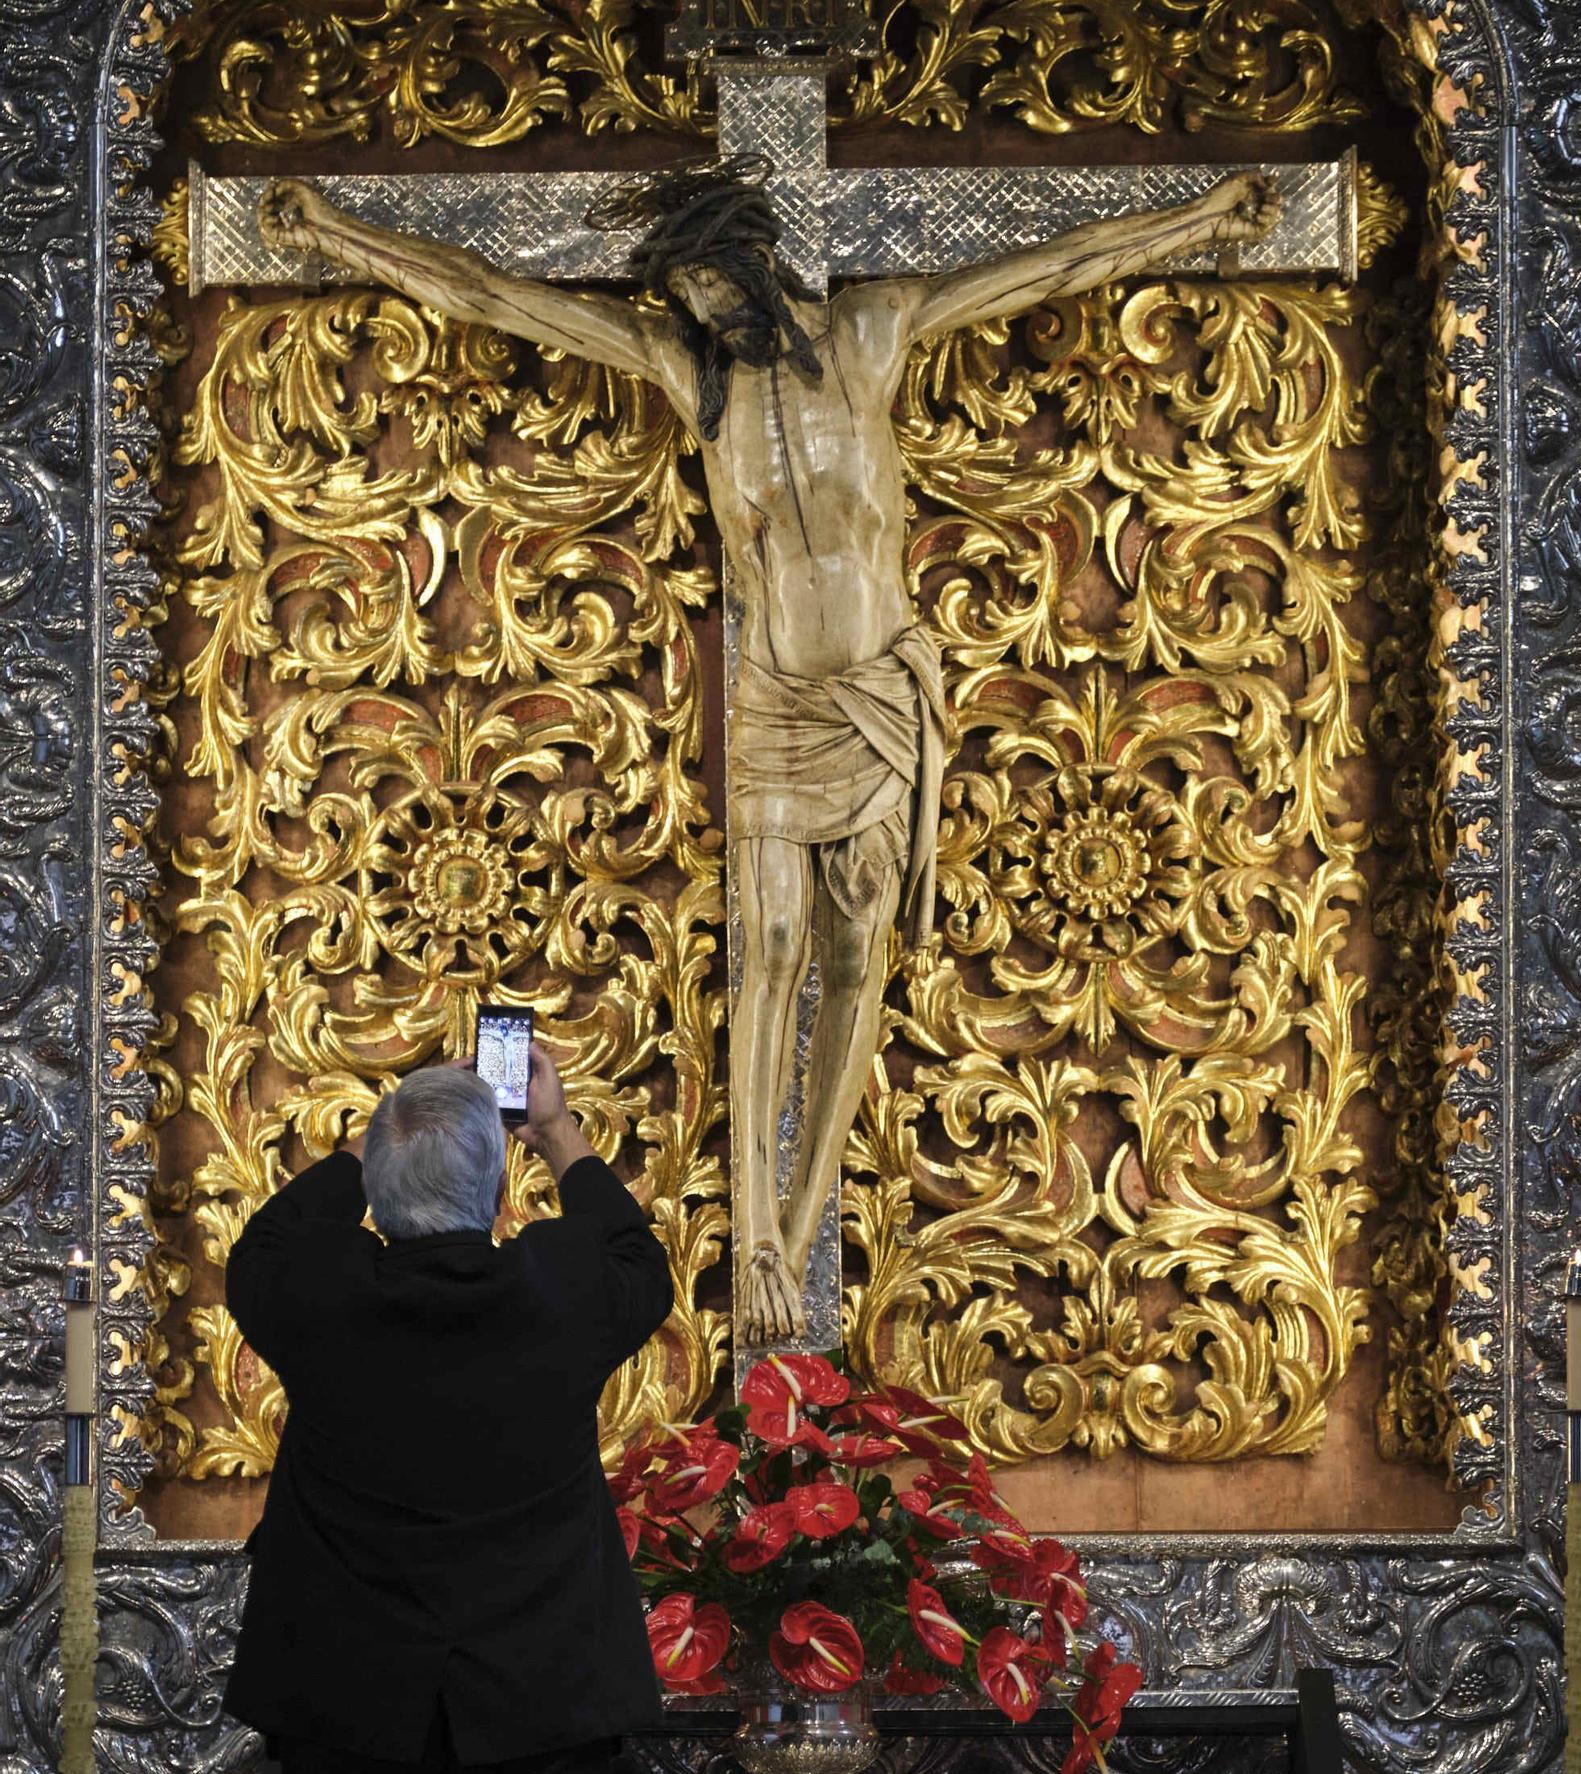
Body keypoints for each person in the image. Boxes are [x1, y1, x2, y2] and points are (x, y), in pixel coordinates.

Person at [257, 157, 1280, 1347]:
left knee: (857, 950)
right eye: (685, 301)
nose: (702, 316)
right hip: (776, 701)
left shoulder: (871, 331)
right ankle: (754, 1235)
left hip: (876, 697)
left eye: (713, 288)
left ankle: (796, 1230)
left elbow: (1046, 264)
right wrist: (342, 232)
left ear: (754, 257)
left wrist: (1200, 219)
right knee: (774, 944)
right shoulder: (692, 373)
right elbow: (497, 297)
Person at [223, 1044, 673, 1774]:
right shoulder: (561, 1289)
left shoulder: (316, 1293)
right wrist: (556, 1130)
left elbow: (265, 1244)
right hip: (540, 1707)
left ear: (376, 1196)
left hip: (348, 1705)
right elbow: (639, 1262)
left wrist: (378, 1141)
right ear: (502, 1198)